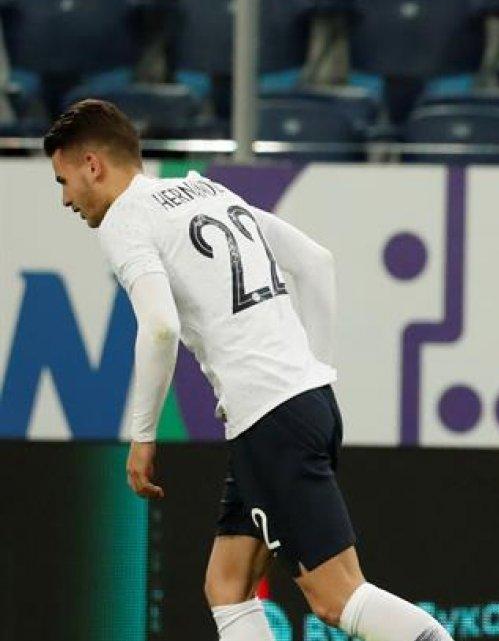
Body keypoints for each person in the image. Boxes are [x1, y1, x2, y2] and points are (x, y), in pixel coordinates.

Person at [44, 99, 452, 641]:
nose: (66, 199)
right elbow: (315, 260)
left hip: (269, 418)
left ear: (93, 164)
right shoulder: (204, 189)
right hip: (301, 405)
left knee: (337, 598)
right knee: (227, 584)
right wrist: (315, 369)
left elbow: (160, 326)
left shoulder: (125, 219)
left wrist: (141, 436)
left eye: (64, 180)